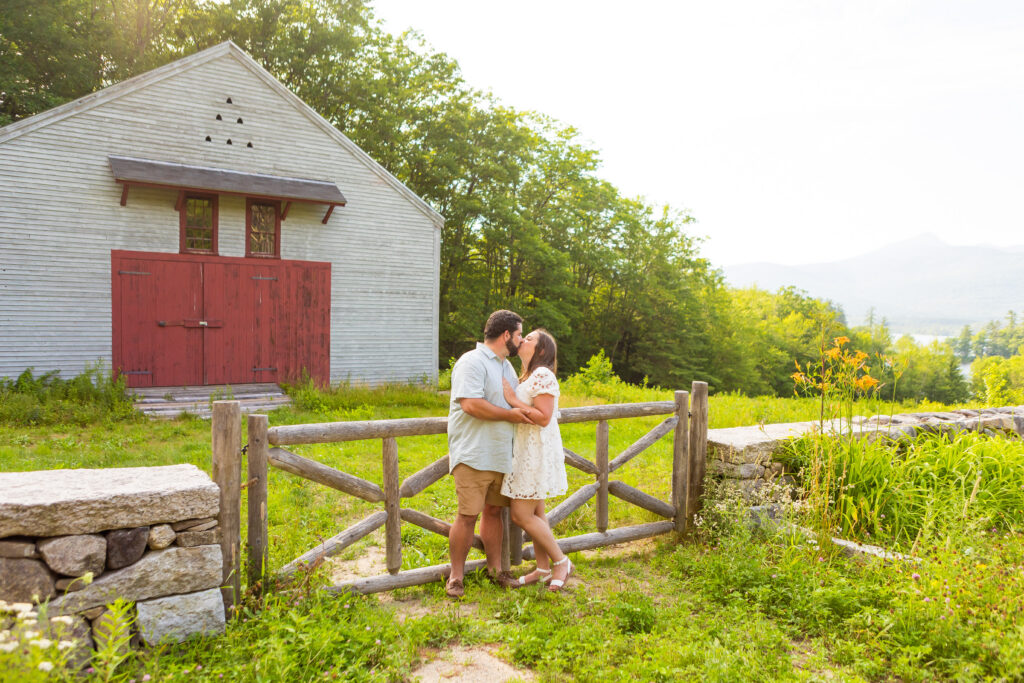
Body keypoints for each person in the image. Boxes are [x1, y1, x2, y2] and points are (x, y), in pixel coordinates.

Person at [445, 309, 535, 599]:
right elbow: (471, 404)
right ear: (506, 334)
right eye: (519, 334)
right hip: (473, 452)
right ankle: (456, 576)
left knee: (494, 512)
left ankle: (496, 571)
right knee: (467, 514)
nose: (520, 340)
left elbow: (516, 402)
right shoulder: (471, 362)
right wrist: (510, 416)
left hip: (501, 453)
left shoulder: (506, 367)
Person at [500, 328, 573, 592]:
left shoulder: (543, 374)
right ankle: (543, 569)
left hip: (535, 451)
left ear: (541, 350)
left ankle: (561, 561)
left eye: (529, 338)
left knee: (520, 514)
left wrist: (511, 400)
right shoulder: (527, 376)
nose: (523, 340)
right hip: (524, 449)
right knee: (536, 512)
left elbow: (543, 417)